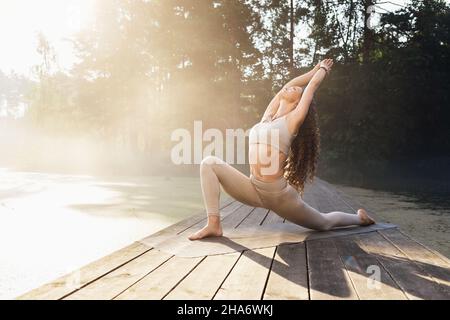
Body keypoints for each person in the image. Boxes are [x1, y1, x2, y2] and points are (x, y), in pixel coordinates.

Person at [189, 59, 375, 241]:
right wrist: (313, 69)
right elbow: (291, 83)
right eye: (291, 88)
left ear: (298, 104)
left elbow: (311, 88)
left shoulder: (293, 120)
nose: (292, 87)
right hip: (253, 189)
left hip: (278, 196)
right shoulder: (267, 118)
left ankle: (359, 218)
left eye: (297, 91)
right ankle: (214, 224)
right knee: (208, 163)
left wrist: (323, 70)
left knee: (323, 223)